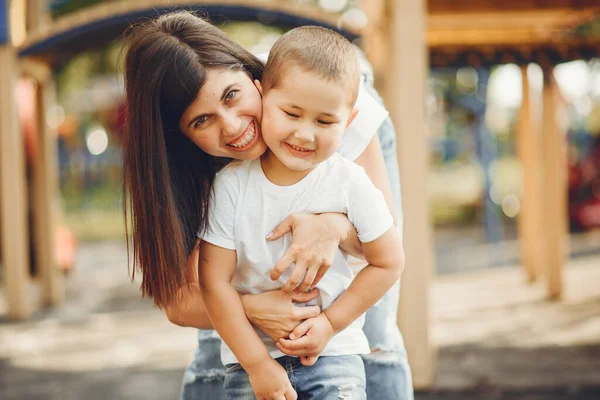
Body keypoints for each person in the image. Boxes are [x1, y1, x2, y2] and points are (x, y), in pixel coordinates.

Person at [122, 11, 413, 399]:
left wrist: (332, 226)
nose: (232, 126)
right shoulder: (191, 171)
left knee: (370, 326)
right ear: (181, 136)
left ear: (252, 77)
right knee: (223, 340)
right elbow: (183, 298)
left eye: (232, 96)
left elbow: (380, 249)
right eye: (202, 120)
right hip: (239, 275)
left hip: (343, 129)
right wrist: (251, 310)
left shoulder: (325, 112)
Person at [198, 26, 405, 399]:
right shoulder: (229, 186)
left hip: (333, 357)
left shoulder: (350, 181)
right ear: (263, 95)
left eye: (325, 122)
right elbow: (214, 283)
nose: (305, 135)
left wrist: (329, 323)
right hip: (251, 363)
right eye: (291, 114)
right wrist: (258, 364)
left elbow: (388, 260)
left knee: (385, 338)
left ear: (349, 119)